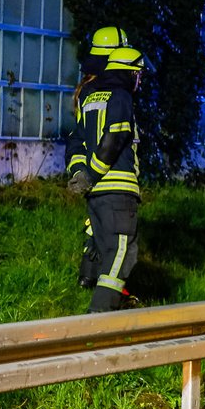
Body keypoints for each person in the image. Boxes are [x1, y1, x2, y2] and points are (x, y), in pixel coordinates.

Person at [68, 44, 145, 312]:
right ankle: (98, 317)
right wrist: (93, 172)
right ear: (129, 73)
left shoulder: (90, 98)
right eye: (139, 74)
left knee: (107, 250)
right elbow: (115, 137)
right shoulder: (121, 96)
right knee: (121, 255)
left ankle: (108, 306)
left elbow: (75, 141)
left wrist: (80, 173)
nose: (140, 80)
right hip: (118, 190)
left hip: (97, 195)